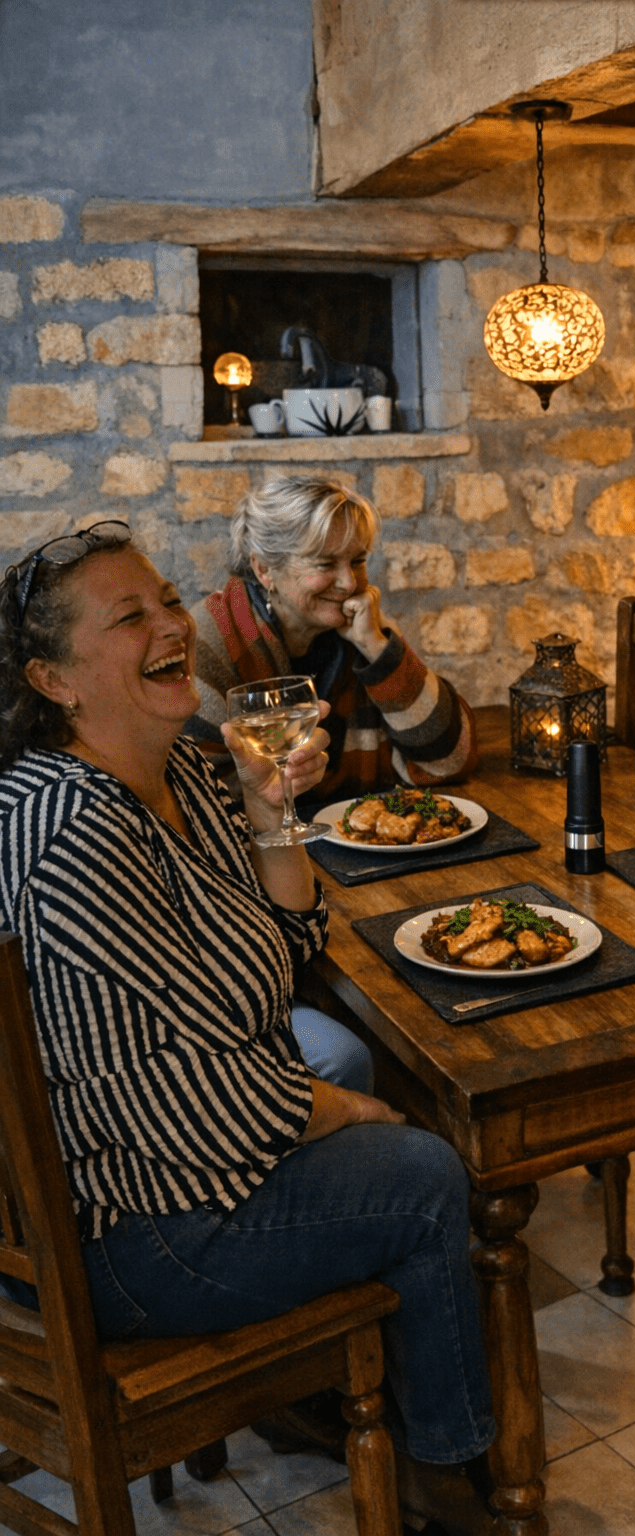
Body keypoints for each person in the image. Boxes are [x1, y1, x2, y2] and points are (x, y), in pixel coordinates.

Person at [0, 521, 495, 1508]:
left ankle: (316, 1388)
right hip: (124, 1234)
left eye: (167, 601)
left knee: (365, 1084)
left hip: (168, 1168)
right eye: (128, 616)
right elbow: (166, 1103)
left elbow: (287, 955)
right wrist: (335, 1114)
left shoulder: (178, 769)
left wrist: (274, 810)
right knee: (425, 1171)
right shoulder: (74, 835)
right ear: (53, 681)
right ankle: (446, 1475)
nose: (169, 622)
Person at [187, 474, 477, 804]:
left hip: (359, 838)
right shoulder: (212, 639)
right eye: (325, 563)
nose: (348, 582)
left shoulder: (363, 628)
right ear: (265, 569)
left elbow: (451, 758)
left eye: (357, 560)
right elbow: (201, 793)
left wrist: (378, 649)